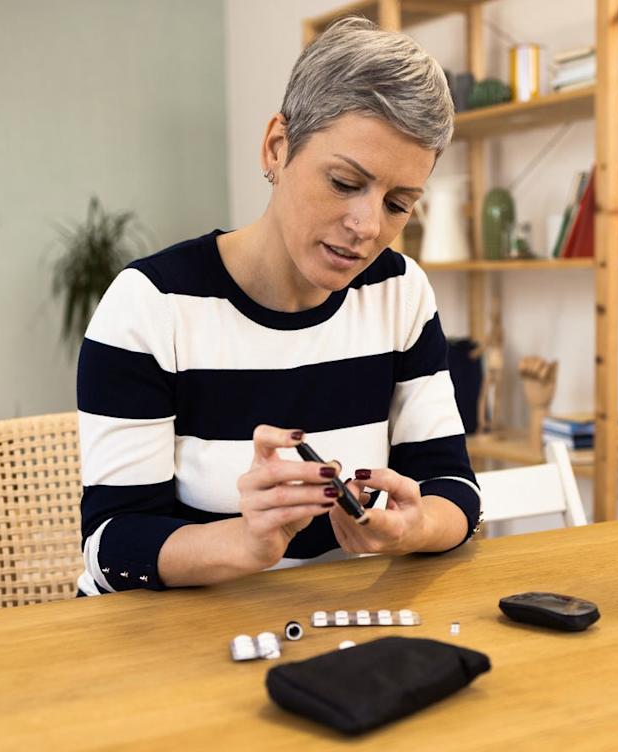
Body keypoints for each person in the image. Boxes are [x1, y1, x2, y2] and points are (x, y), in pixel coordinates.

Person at [74, 17, 480, 596]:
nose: (366, 227)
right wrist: (247, 543)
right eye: (344, 182)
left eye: (398, 204)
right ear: (277, 147)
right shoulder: (151, 305)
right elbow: (111, 546)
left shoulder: (399, 290)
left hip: (331, 623)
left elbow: (454, 488)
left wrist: (414, 527)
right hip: (169, 636)